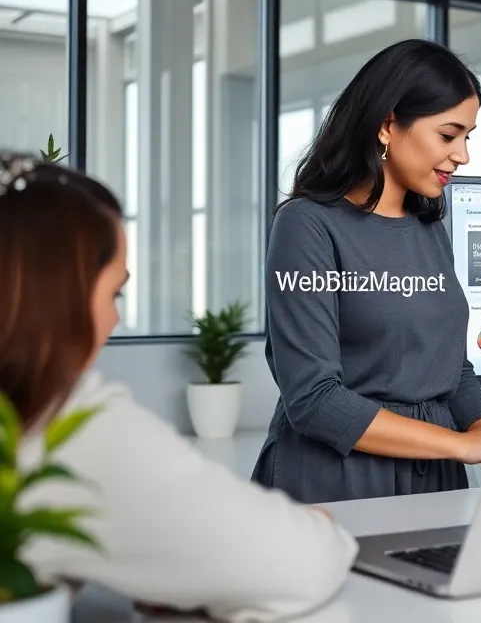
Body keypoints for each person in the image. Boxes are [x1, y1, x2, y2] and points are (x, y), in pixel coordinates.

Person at [0, 154, 356, 621]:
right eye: (113, 293)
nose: (115, 319)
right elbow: (298, 561)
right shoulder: (68, 426)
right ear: (57, 295)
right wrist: (317, 526)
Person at [253, 39, 481, 504]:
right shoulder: (307, 225)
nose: (463, 155)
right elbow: (313, 399)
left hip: (435, 475)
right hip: (340, 478)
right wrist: (463, 445)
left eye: (468, 137)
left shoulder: (428, 226)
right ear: (388, 125)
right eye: (449, 135)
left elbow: (449, 366)